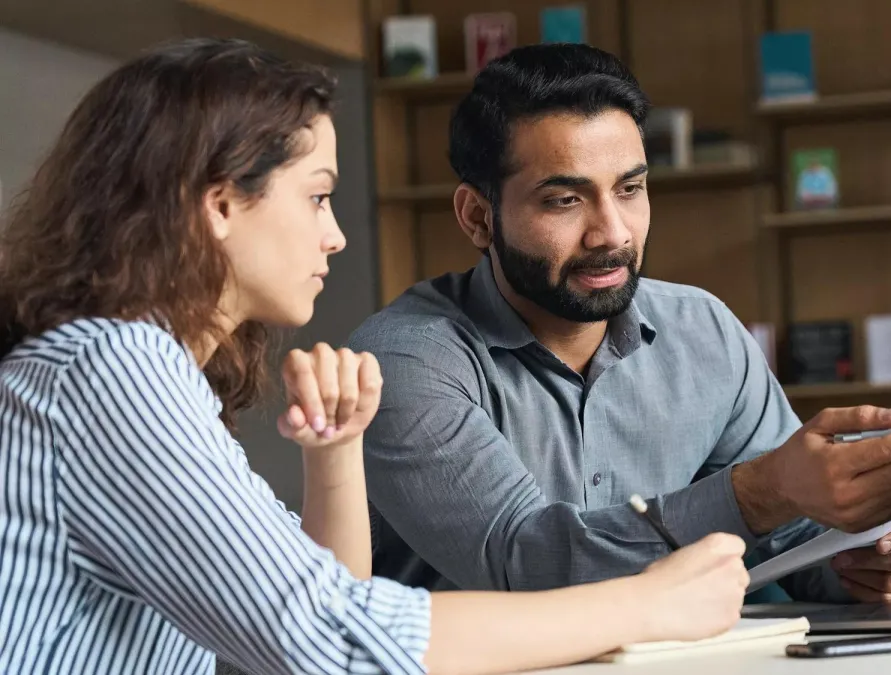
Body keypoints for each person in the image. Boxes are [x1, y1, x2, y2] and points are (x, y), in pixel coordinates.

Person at [0, 38, 752, 675]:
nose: (335, 236)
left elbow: (320, 608)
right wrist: (648, 600)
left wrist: (334, 455)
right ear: (221, 203)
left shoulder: (132, 370)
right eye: (317, 196)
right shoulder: (111, 367)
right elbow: (330, 638)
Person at [349, 42, 891, 605]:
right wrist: (762, 491)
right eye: (565, 200)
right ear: (478, 217)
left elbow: (790, 543)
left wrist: (866, 562)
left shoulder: (704, 332)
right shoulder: (404, 361)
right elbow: (524, 564)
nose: (613, 233)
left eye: (629, 189)